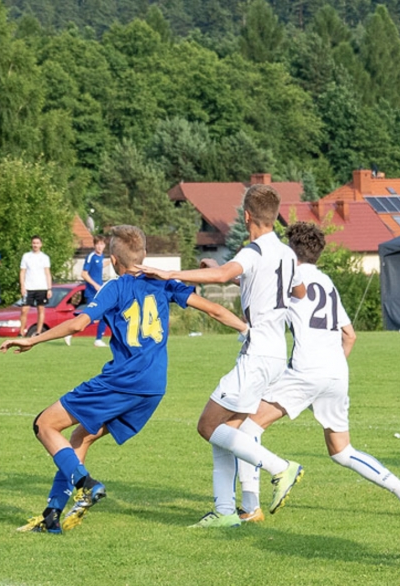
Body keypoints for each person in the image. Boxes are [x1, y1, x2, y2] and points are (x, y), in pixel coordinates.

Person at [1, 225, 248, 533]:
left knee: (44, 424)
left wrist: (33, 340)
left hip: (122, 381)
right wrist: (248, 330)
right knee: (81, 436)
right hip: (153, 389)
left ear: (114, 261)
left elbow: (78, 325)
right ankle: (52, 514)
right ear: (143, 256)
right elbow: (213, 310)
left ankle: (85, 484)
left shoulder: (114, 287)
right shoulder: (164, 283)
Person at [139, 184, 307, 528]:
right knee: (228, 431)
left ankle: (281, 467)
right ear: (273, 216)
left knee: (207, 424)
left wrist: (170, 273)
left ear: (246, 216)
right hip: (276, 351)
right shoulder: (288, 254)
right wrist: (234, 274)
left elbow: (219, 276)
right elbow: (298, 291)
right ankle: (226, 511)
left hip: (258, 351)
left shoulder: (253, 251)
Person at [238, 222, 400, 519]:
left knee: (246, 429)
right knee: (341, 451)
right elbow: (350, 335)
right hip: (336, 373)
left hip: (306, 371)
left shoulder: (290, 276)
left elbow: (259, 290)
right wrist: (329, 373)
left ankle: (251, 507)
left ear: (290, 250)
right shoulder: (327, 283)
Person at [66, 235, 109, 347]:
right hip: (92, 292)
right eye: (98, 244)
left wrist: (111, 261)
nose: (100, 246)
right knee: (94, 317)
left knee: (105, 314)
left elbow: (99, 266)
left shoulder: (101, 256)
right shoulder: (91, 257)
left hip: (99, 291)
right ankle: (70, 331)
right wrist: (95, 285)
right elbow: (84, 274)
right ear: (94, 245)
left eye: (102, 244)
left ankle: (98, 339)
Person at [19, 235, 52, 337]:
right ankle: (21, 332)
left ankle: (38, 332)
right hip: (29, 287)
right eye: (34, 243)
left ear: (41, 244)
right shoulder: (26, 256)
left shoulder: (45, 257)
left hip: (41, 287)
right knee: (24, 310)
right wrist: (22, 286)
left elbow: (47, 273)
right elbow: (22, 272)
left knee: (41, 309)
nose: (35, 245)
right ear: (31, 244)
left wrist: (49, 288)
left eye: (37, 243)